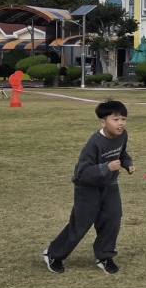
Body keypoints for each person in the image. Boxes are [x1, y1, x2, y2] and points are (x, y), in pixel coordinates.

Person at [44, 99, 133, 275]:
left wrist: (127, 163)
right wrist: (105, 168)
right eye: (115, 120)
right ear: (103, 122)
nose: (121, 123)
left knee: (112, 218)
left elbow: (122, 153)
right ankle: (54, 254)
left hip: (109, 184)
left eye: (123, 119)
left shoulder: (122, 135)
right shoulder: (94, 143)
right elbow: (81, 173)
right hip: (87, 187)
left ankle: (104, 256)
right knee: (81, 223)